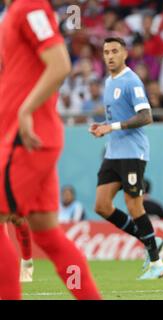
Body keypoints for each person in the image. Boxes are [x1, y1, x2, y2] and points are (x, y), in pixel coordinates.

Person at [0, 0, 101, 300]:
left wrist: (25, 110)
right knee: (47, 233)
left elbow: (60, 64)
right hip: (32, 136)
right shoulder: (19, 10)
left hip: (26, 137)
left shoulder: (28, 6)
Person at [89, 37, 163, 280]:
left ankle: (157, 263)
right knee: (101, 205)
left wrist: (111, 127)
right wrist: (104, 126)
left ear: (124, 54)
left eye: (114, 51)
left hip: (133, 151)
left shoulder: (132, 81)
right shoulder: (108, 81)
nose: (110, 56)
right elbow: (118, 118)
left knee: (134, 205)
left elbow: (146, 116)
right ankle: (152, 239)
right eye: (106, 52)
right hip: (114, 151)